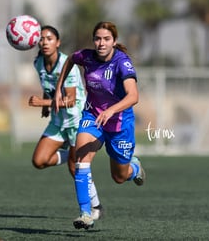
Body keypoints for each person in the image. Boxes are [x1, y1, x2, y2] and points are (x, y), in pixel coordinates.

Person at [54, 21, 146, 230]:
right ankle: (86, 213)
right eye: (97, 38)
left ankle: (135, 168)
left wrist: (112, 110)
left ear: (114, 41)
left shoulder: (122, 63)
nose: (101, 43)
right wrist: (59, 87)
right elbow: (70, 59)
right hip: (92, 116)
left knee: (119, 176)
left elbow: (134, 96)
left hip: (119, 124)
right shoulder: (86, 56)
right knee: (80, 159)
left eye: (106, 39)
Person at [28, 25, 103, 220]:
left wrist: (41, 103)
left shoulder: (66, 65)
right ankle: (67, 155)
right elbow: (49, 86)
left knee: (75, 167)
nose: (45, 42)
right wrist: (47, 102)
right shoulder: (38, 63)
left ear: (58, 43)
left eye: (50, 38)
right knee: (39, 161)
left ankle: (96, 206)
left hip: (75, 119)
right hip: (57, 120)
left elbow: (69, 100)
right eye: (42, 39)